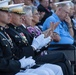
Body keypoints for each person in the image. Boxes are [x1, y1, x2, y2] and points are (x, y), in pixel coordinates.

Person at [6, 4, 73, 75]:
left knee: (59, 67)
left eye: (21, 15)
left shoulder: (19, 29)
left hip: (32, 56)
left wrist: (46, 41)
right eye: (18, 15)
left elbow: (34, 44)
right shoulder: (11, 31)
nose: (21, 17)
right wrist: (36, 45)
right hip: (26, 60)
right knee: (51, 67)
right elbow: (20, 51)